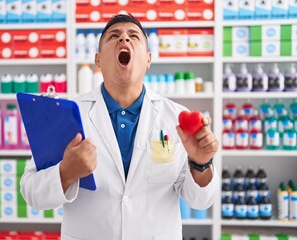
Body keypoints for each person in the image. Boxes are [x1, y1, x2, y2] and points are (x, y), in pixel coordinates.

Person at [20, 14, 220, 240]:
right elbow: (31, 192)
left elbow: (200, 201)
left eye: (133, 36)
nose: (124, 39)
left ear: (148, 59)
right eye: (114, 36)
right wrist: (66, 172)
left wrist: (201, 163)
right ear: (97, 59)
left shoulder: (176, 118)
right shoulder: (67, 115)